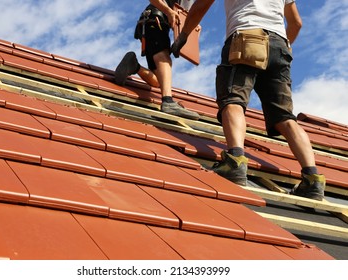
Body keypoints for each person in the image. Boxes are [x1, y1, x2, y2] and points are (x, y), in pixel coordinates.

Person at [172, 0, 326, 201]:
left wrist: (183, 35)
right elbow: (296, 23)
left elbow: (201, 5)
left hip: (246, 36)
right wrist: (280, 46)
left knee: (233, 99)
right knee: (285, 117)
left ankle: (235, 160)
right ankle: (312, 179)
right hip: (280, 46)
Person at [114, 0, 200, 120]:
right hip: (155, 19)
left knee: (158, 81)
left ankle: (133, 65)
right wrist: (168, 11)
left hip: (153, 23)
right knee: (164, 58)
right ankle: (168, 101)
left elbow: (184, 14)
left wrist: (193, 26)